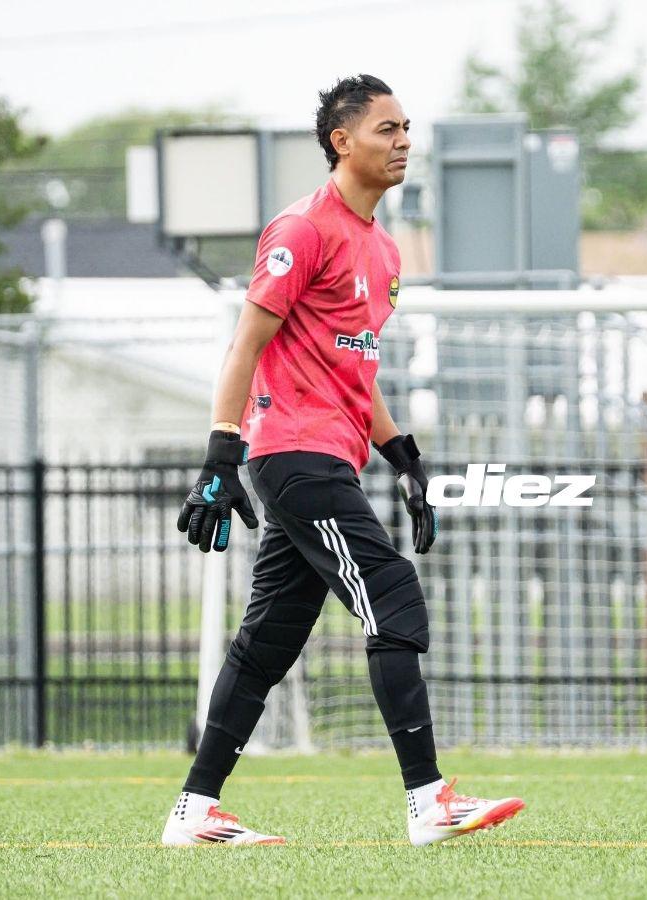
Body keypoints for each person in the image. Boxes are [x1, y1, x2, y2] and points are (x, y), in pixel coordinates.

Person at [160, 74, 524, 848]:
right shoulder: (301, 229)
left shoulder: (383, 249)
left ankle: (193, 814)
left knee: (270, 639)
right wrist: (222, 452)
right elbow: (245, 346)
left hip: (333, 456)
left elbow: (354, 369)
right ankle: (428, 802)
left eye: (407, 128)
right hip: (294, 455)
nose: (403, 142)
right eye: (387, 129)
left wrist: (403, 456)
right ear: (342, 141)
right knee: (391, 593)